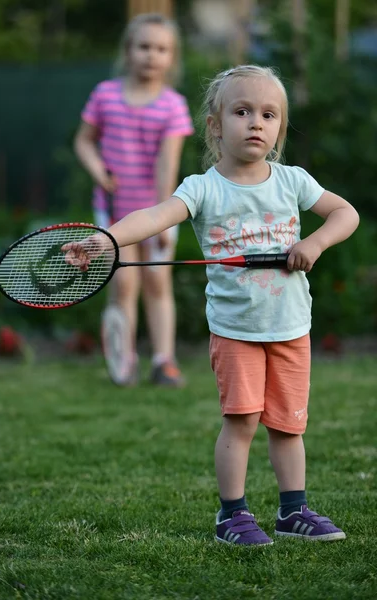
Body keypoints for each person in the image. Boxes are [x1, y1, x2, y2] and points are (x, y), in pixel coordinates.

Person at [64, 65, 359, 544]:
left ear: (280, 128)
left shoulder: (292, 181)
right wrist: (106, 240)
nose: (256, 123)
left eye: (269, 115)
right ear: (216, 125)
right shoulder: (203, 187)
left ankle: (293, 510)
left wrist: (317, 243)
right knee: (241, 421)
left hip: (290, 327)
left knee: (288, 426)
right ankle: (233, 515)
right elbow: (155, 216)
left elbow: (346, 213)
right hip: (236, 330)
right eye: (242, 112)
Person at [74, 13, 194, 386]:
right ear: (128, 51)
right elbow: (83, 140)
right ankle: (123, 362)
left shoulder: (173, 105)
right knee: (123, 285)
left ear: (171, 58)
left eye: (161, 49)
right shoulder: (105, 94)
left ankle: (164, 361)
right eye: (144, 46)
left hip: (157, 211)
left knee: (157, 283)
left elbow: (167, 166)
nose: (151, 55)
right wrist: (97, 170)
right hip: (113, 214)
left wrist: (163, 219)